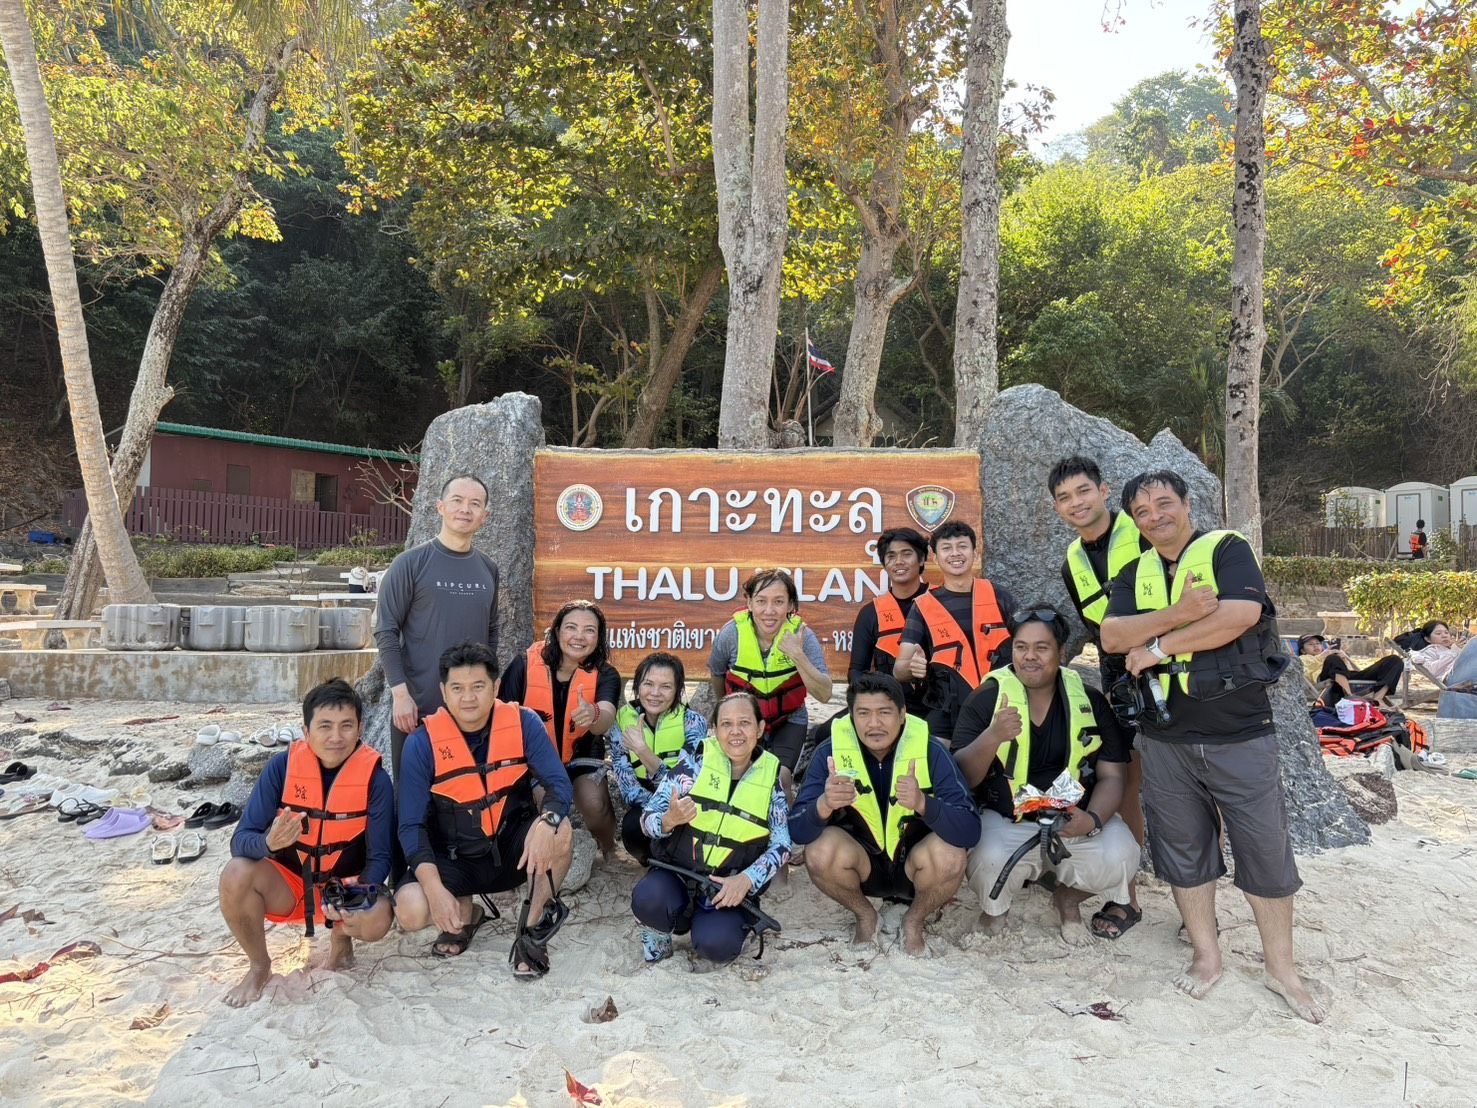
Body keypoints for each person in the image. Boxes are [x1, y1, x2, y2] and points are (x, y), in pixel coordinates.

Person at [1101, 470, 1326, 1024]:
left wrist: (1157, 647)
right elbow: (1112, 636)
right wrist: (1180, 616)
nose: (1155, 516)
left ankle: (1281, 968)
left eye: (1164, 503)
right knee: (1183, 847)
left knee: (1265, 848)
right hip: (1165, 737)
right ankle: (1207, 955)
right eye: (1142, 511)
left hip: (1239, 730)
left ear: (1186, 503)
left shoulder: (1227, 550)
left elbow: (1239, 615)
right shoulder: (1133, 572)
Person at [953, 609, 1139, 944]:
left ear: (1061, 652)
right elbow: (962, 777)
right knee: (987, 858)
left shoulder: (1090, 700)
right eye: (1021, 647)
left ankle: (1067, 900)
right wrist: (992, 736)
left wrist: (1092, 820)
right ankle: (995, 910)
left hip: (1072, 818)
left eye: (1041, 648)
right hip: (1008, 818)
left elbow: (1112, 775)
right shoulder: (988, 697)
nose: (1029, 656)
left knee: (1122, 853)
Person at [394, 642, 574, 976]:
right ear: (443, 692)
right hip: (453, 859)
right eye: (457, 688)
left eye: (478, 686)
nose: (468, 698)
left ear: (496, 687)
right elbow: (410, 827)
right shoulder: (421, 743)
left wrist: (546, 823)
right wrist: (434, 891)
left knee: (561, 830)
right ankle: (466, 912)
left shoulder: (524, 723)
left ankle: (531, 931)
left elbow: (559, 785)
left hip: (512, 852)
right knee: (410, 910)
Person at [220, 678, 395, 1007]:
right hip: (289, 884)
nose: (336, 737)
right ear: (306, 731)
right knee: (235, 873)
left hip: (342, 886)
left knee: (378, 915)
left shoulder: (376, 779)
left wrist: (351, 897)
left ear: (360, 728)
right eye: (325, 726)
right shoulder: (281, 768)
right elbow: (240, 841)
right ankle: (259, 966)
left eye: (346, 725)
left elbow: (381, 857)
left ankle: (341, 938)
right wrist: (268, 842)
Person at [791, 673, 978, 955]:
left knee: (952, 855)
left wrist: (924, 803)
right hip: (863, 867)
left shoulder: (931, 751)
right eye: (863, 713)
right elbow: (797, 831)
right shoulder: (829, 753)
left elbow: (970, 829)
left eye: (885, 712)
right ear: (851, 716)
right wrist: (824, 805)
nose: (874, 723)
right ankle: (865, 915)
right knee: (818, 851)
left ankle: (914, 920)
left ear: (902, 715)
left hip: (917, 869)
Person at [1049, 454, 1151, 937]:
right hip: (1120, 676)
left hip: (1175, 665)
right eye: (1064, 498)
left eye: (1083, 491)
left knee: (1199, 788)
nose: (1076, 503)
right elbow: (1097, 628)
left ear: (1104, 491)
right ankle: (1127, 898)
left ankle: (1202, 901)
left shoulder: (1145, 532)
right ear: (1057, 508)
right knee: (1127, 782)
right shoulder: (1072, 562)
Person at [631, 692, 792, 965]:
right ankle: (660, 936)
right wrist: (668, 821)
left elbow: (782, 845)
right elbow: (647, 820)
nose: (735, 732)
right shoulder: (693, 764)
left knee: (718, 945)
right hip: (677, 876)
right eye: (726, 724)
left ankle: (717, 926)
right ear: (715, 730)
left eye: (744, 723)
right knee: (650, 899)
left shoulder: (771, 777)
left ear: (760, 728)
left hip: (728, 888)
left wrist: (747, 879)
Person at [374, 474, 499, 784]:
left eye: (475, 504)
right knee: (412, 798)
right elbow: (386, 631)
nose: (465, 509)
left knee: (466, 795)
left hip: (471, 710)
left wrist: (488, 689)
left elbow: (491, 631)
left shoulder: (488, 569)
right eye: (457, 500)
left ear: (484, 516)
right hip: (417, 708)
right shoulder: (409, 564)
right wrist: (400, 695)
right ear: (440, 506)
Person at [499, 600, 621, 856]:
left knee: (595, 804)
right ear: (557, 631)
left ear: (599, 637)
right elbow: (502, 717)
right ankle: (550, 856)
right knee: (546, 802)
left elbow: (607, 716)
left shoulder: (606, 674)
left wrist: (593, 714)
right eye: (571, 627)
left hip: (582, 752)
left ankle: (609, 849)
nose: (579, 636)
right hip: (535, 758)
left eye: (589, 630)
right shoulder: (523, 666)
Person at [709, 569, 833, 797]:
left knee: (781, 782)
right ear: (749, 603)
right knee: (742, 779)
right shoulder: (730, 634)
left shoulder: (803, 636)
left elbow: (825, 694)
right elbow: (717, 673)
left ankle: (785, 821)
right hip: (745, 720)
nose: (769, 611)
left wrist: (797, 654)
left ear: (790, 605)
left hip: (788, 720)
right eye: (761, 601)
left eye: (778, 602)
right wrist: (727, 711)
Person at [893, 521, 1019, 741]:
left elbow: (1027, 643)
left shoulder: (999, 596)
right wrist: (913, 667)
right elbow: (899, 669)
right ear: (935, 558)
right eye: (946, 548)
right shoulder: (922, 606)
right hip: (949, 712)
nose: (955, 553)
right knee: (931, 753)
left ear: (975, 553)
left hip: (1004, 703)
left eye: (962, 546)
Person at [610, 652, 708, 863]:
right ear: (638, 686)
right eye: (648, 684)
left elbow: (686, 784)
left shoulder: (693, 723)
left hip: (685, 803)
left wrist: (643, 752)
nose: (655, 693)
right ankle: (652, 861)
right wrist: (657, 814)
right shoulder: (621, 720)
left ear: (677, 690)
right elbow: (628, 790)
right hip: (646, 803)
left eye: (666, 686)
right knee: (632, 828)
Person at [849, 527, 932, 717]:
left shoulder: (940, 601)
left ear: (921, 560)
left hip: (934, 706)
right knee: (826, 731)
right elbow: (856, 671)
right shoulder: (871, 613)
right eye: (891, 556)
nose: (898, 561)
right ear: (884, 564)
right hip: (885, 706)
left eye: (907, 554)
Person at [1297, 633, 1403, 707]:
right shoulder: (1302, 659)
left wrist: (1344, 658)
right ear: (1303, 650)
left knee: (1395, 660)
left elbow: (1346, 670)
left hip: (1344, 676)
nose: (1315, 646)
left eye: (1318, 643)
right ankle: (1349, 696)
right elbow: (1310, 666)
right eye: (1311, 644)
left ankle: (1378, 697)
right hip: (1324, 677)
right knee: (1332, 658)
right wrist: (1325, 655)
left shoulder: (1329, 655)